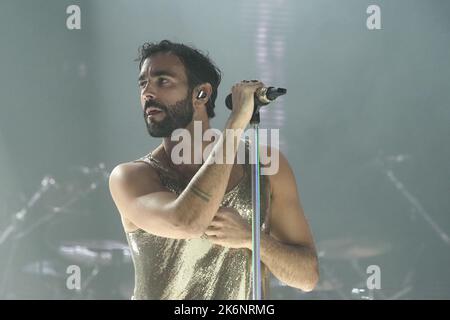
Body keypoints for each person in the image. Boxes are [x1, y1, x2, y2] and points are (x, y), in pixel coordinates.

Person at [108, 40, 319, 299]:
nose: (147, 93)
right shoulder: (131, 177)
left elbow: (307, 277)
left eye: (162, 81)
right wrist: (235, 125)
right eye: (143, 83)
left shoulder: (264, 166)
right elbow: (188, 223)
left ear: (202, 94)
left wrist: (252, 238)